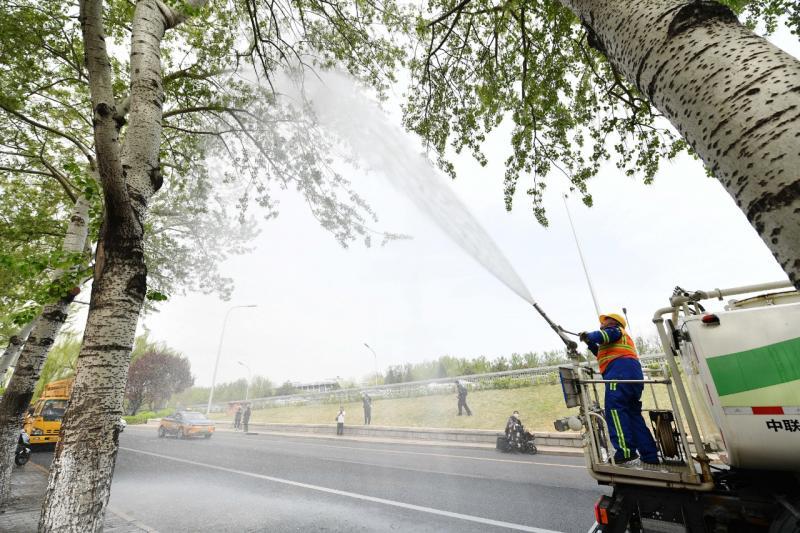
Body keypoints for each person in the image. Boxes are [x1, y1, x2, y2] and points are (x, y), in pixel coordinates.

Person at [580, 313, 659, 465]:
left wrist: (589, 335)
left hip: (619, 375)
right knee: (633, 415)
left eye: (604, 322)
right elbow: (600, 353)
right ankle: (650, 455)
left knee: (615, 411)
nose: (601, 325)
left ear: (613, 322)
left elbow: (602, 335)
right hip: (632, 376)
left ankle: (625, 451)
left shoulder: (615, 331)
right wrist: (589, 342)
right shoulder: (617, 340)